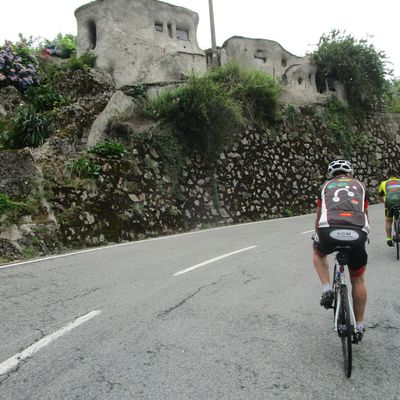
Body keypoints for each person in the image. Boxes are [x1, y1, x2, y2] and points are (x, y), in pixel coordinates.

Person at [312, 159, 370, 343]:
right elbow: (365, 214)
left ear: (331, 175)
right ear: (350, 173)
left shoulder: (325, 186)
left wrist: (317, 234)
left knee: (318, 252)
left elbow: (320, 213)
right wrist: (364, 236)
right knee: (358, 278)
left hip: (329, 231)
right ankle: (359, 326)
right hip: (357, 233)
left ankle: (327, 289)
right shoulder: (361, 187)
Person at [378, 171, 400, 247]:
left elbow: (380, 196)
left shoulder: (383, 183)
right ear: (396, 176)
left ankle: (389, 239)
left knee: (388, 220)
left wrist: (384, 202)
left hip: (389, 203)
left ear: (388, 176)